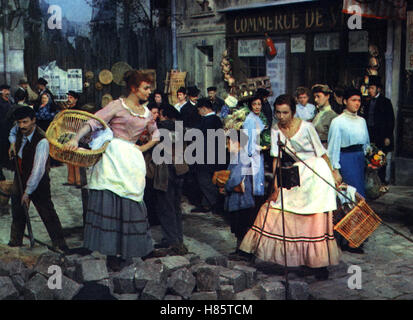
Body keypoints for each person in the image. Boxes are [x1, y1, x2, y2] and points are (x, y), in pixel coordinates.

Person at [64, 70, 160, 271]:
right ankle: (111, 254)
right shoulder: (117, 105)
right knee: (110, 200)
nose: (149, 91)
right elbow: (93, 122)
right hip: (112, 157)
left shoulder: (147, 112)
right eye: (146, 88)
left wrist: (140, 148)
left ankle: (128, 251)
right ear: (134, 88)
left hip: (131, 161)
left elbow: (156, 135)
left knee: (131, 201)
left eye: (150, 88)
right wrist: (75, 138)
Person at [240, 94, 341, 280]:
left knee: (314, 218)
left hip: (316, 173)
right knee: (274, 208)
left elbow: (322, 153)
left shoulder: (307, 127)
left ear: (293, 112)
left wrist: (334, 174)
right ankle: (249, 251)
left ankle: (318, 266)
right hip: (295, 173)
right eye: (278, 112)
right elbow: (276, 159)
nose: (281, 116)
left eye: (285, 112)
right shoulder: (275, 129)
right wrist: (276, 186)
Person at [7, 106, 68, 252]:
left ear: (34, 121)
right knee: (17, 208)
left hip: (38, 181)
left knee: (47, 212)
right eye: (20, 122)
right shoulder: (19, 128)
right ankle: (15, 242)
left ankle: (60, 245)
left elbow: (38, 170)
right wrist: (12, 142)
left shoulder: (42, 141)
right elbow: (13, 131)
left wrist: (28, 192)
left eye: (25, 122)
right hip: (20, 174)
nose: (22, 126)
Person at [327, 88, 370, 254]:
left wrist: (371, 159)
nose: (357, 103)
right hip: (346, 159)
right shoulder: (338, 122)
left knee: (361, 198)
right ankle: (348, 239)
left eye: (359, 100)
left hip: (359, 159)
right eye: (353, 100)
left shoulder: (361, 121)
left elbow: (366, 142)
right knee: (350, 199)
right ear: (345, 101)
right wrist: (335, 169)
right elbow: (333, 148)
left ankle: (356, 237)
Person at [152, 104, 189, 255]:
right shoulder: (182, 129)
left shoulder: (159, 128)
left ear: (163, 114)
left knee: (166, 207)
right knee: (175, 207)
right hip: (180, 170)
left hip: (164, 171)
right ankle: (178, 239)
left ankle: (172, 241)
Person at [221, 130, 256, 259]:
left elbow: (236, 178)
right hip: (239, 198)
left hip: (242, 199)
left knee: (241, 225)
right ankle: (240, 250)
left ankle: (245, 252)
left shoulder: (243, 158)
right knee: (238, 226)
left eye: (229, 143)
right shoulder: (239, 157)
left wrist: (225, 186)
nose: (227, 146)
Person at [191, 98, 224, 214]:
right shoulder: (217, 120)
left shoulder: (207, 121)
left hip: (206, 156)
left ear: (204, 109)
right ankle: (206, 204)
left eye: (199, 110)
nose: (199, 113)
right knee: (209, 180)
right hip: (215, 155)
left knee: (204, 181)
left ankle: (215, 203)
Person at [363, 76, 395, 190]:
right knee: (371, 159)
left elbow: (391, 120)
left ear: (378, 89)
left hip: (382, 135)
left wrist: (388, 136)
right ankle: (372, 184)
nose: (370, 91)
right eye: (369, 88)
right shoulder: (367, 103)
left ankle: (382, 182)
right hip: (370, 135)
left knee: (381, 159)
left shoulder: (385, 102)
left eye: (372, 88)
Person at [242, 95, 266, 203]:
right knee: (253, 179)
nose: (257, 107)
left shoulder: (258, 117)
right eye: (254, 104)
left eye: (259, 104)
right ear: (251, 106)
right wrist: (250, 155)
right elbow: (249, 139)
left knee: (257, 178)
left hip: (258, 151)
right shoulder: (250, 119)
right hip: (252, 152)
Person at [62, 91, 82, 187]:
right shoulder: (68, 109)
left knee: (76, 158)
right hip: (68, 134)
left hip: (76, 135)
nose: (68, 99)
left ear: (75, 99)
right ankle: (71, 180)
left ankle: (79, 181)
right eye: (68, 97)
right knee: (69, 157)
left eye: (71, 97)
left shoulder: (78, 110)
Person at [0, 84, 13, 180]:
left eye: (8, 90)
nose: (7, 92)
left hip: (8, 131)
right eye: (5, 90)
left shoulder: (9, 101)